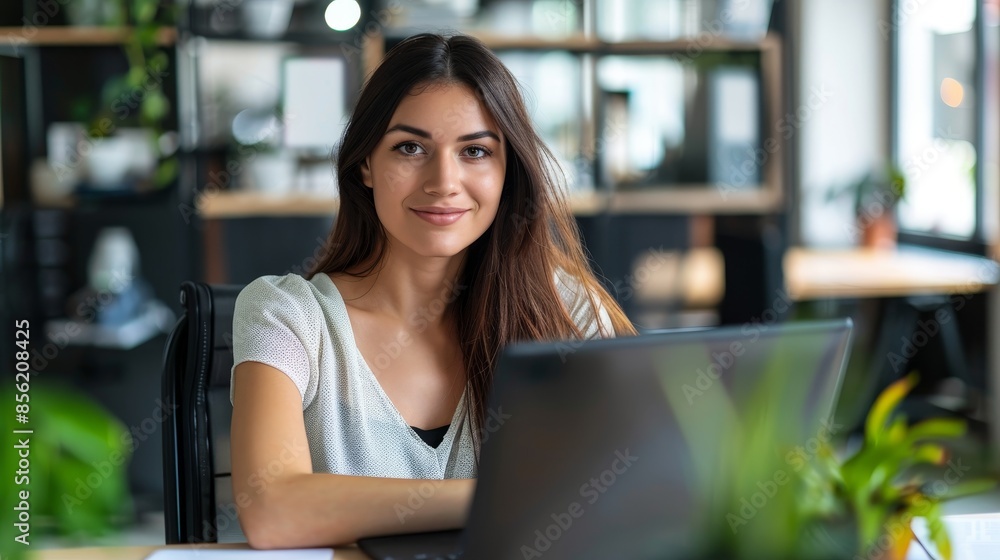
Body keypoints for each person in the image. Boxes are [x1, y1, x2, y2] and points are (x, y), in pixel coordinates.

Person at [229, 32, 637, 549]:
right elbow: (271, 511)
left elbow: (638, 485)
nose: (444, 180)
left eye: (475, 151)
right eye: (410, 147)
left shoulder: (566, 309)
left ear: (506, 170)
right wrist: (506, 496)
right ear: (365, 164)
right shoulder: (287, 316)